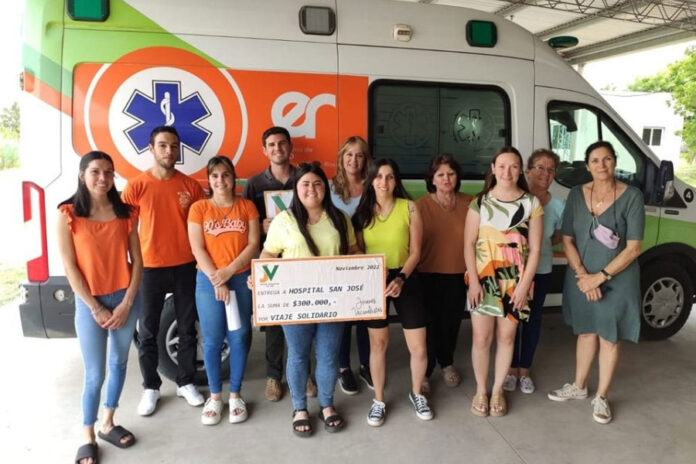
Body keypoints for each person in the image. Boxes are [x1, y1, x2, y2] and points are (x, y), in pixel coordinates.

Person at [258, 162, 359, 436]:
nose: (311, 189)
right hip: (295, 304)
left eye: (317, 183)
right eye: (305, 184)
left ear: (325, 188)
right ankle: (300, 408)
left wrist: (365, 270)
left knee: (328, 357)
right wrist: (260, 277)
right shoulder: (284, 220)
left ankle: (327, 404)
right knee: (299, 355)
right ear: (296, 188)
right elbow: (268, 256)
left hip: (333, 303)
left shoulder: (340, 219)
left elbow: (353, 251)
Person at [548, 141, 644, 425]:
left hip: (617, 279)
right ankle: (579, 386)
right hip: (581, 277)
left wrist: (599, 278)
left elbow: (633, 248)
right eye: (595, 160)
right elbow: (567, 240)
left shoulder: (632, 196)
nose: (601, 165)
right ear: (587, 165)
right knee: (586, 332)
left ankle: (601, 396)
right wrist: (583, 276)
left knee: (609, 337)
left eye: (607, 159)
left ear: (615, 161)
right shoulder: (576, 194)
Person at [57, 151, 142, 464]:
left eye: (108, 172)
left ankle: (108, 422)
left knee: (119, 362)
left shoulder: (127, 213)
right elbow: (70, 268)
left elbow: (138, 262)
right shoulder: (67, 214)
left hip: (124, 299)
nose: (103, 178)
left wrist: (127, 303)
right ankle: (88, 434)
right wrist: (95, 308)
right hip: (89, 303)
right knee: (94, 373)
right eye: (95, 171)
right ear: (82, 175)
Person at [122, 125, 206, 416]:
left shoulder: (191, 187)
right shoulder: (136, 186)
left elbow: (201, 228)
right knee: (147, 331)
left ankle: (186, 382)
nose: (169, 151)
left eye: (173, 146)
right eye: (162, 145)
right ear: (151, 149)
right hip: (149, 268)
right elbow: (126, 230)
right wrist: (130, 264)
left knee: (187, 328)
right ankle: (151, 387)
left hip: (185, 265)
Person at [353, 158, 432, 427]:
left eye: (389, 176)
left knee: (418, 347)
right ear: (371, 180)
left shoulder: (409, 207)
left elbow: (416, 252)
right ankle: (378, 399)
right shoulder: (362, 212)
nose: (383, 182)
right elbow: (357, 250)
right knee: (378, 344)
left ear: (396, 180)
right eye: (378, 176)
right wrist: (371, 270)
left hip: (406, 277)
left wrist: (400, 278)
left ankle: (417, 393)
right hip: (373, 280)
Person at [464, 146, 542, 418]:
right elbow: (468, 244)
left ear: (520, 170)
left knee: (507, 338)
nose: (507, 172)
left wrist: (523, 286)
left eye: (513, 166)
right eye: (502, 166)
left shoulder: (531, 203)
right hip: (483, 279)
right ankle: (480, 390)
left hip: (516, 282)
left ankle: (497, 390)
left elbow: (535, 250)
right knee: (481, 338)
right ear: (493, 168)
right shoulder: (480, 202)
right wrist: (474, 282)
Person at [243, 126, 317, 401]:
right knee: (275, 321)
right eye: (272, 144)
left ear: (290, 148)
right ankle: (274, 376)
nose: (277, 148)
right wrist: (260, 226)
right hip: (271, 258)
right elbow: (245, 222)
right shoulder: (254, 184)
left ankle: (305, 374)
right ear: (264, 150)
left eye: (282, 143)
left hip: (301, 258)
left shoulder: (304, 178)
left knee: (304, 318)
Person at [188, 156, 260, 425]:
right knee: (213, 340)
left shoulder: (247, 206)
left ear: (234, 177)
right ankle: (215, 396)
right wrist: (218, 280)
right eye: (215, 175)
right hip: (209, 281)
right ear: (209, 179)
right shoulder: (199, 208)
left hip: (240, 279)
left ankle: (236, 395)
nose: (221, 180)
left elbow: (253, 244)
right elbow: (197, 248)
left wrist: (229, 272)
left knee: (239, 336)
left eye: (226, 174)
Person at [503, 149, 564, 394]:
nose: (545, 174)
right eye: (539, 167)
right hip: (512, 271)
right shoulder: (514, 198)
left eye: (550, 170)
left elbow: (557, 236)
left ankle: (524, 369)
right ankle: (509, 369)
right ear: (527, 170)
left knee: (532, 320)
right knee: (510, 320)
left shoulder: (558, 206)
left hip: (541, 270)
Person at [416, 154, 473, 393]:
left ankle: (447, 363)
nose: (446, 179)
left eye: (451, 173)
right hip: (426, 274)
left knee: (451, 323)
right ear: (432, 179)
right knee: (428, 325)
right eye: (440, 174)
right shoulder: (419, 206)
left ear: (457, 177)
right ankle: (425, 371)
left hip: (459, 274)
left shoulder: (470, 203)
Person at [330, 136, 373, 394]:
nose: (353, 160)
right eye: (349, 154)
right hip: (339, 263)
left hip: (369, 261)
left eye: (359, 155)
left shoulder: (373, 186)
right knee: (343, 319)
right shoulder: (329, 188)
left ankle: (367, 365)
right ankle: (343, 367)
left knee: (366, 316)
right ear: (341, 158)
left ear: (366, 160)